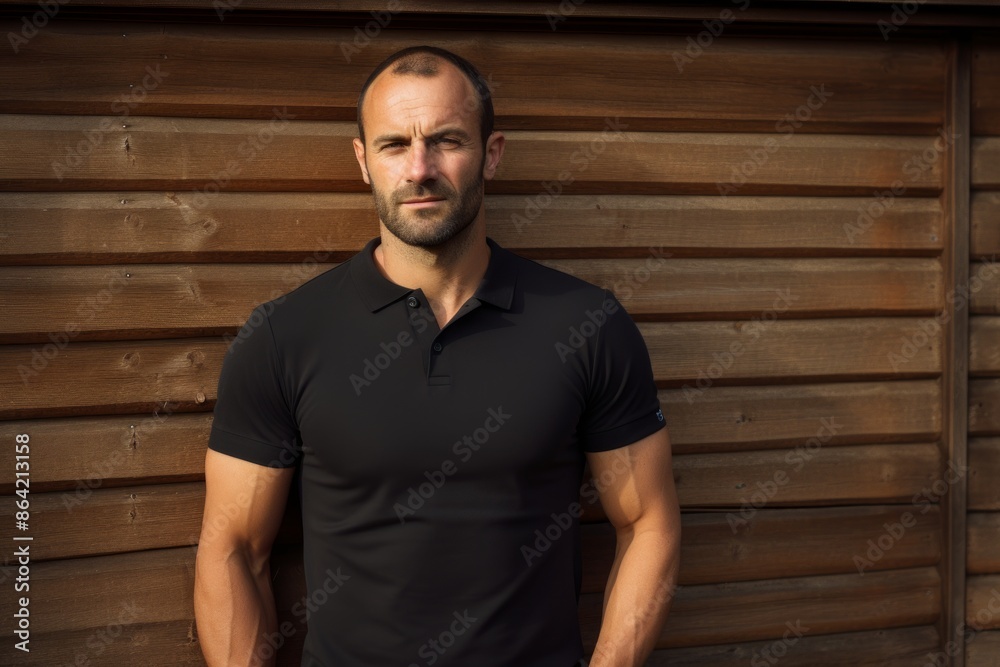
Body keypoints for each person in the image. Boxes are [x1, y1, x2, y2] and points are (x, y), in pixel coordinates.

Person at [194, 45, 681, 667]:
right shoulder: (285, 335)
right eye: (395, 144)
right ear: (363, 161)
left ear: (492, 153)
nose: (419, 168)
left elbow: (649, 524)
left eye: (447, 140)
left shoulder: (586, 323)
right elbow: (232, 547)